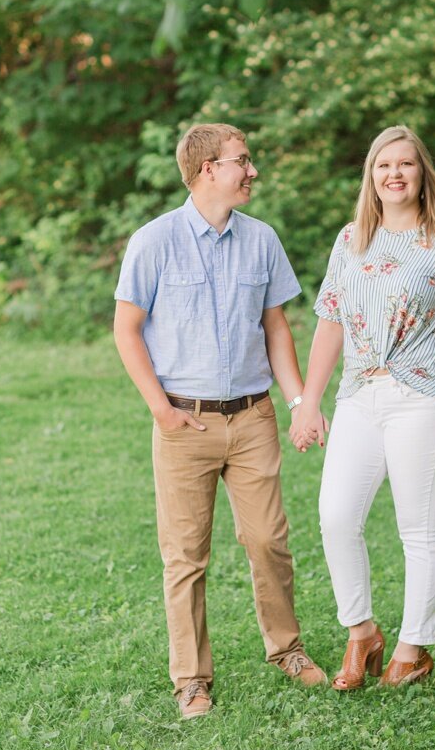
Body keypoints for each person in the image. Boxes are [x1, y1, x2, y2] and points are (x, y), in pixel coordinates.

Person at [113, 122, 328, 720]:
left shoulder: (262, 240)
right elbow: (126, 330)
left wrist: (297, 402)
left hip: (254, 417)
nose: (251, 171)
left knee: (268, 541)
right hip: (185, 423)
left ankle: (287, 649)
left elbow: (276, 327)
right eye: (243, 161)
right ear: (209, 168)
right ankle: (191, 679)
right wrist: (162, 409)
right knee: (185, 557)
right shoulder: (153, 242)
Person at [288, 124, 435, 690]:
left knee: (420, 529)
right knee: (335, 516)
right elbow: (329, 320)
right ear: (371, 177)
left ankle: (413, 648)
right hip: (359, 396)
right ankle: (362, 634)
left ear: (422, 174)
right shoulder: (351, 238)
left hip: (424, 399)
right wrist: (308, 401)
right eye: (383, 165)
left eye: (405, 164)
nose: (394, 174)